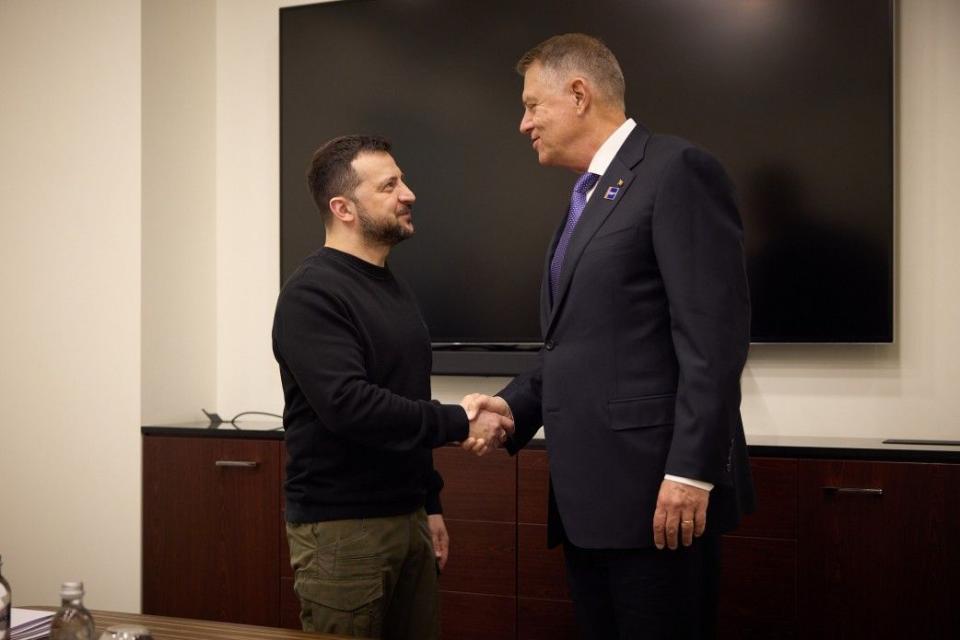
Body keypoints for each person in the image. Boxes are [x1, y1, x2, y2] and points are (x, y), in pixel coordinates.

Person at [464, 34, 755, 639]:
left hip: (658, 496)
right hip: (588, 500)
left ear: (578, 94)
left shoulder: (676, 170)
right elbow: (578, 342)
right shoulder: (586, 197)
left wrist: (692, 472)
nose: (523, 124)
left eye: (531, 105)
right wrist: (512, 407)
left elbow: (714, 338)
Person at [272, 135, 513, 639]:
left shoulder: (391, 286)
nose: (409, 193)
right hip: (343, 531)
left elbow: (407, 396)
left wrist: (431, 504)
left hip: (407, 519)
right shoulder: (312, 293)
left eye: (401, 180)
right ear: (344, 208)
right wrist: (461, 420)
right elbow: (350, 406)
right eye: (389, 185)